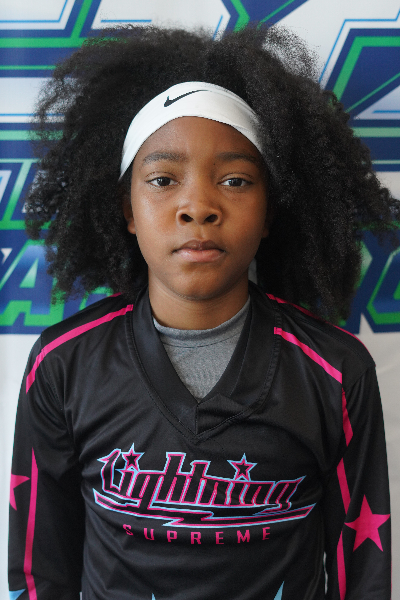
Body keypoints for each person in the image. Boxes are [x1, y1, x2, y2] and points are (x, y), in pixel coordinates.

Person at [8, 25, 397, 600]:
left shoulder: (336, 372)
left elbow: (361, 574)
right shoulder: (63, 365)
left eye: (235, 181)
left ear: (269, 210)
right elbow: (40, 571)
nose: (198, 207)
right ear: (128, 210)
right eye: (163, 180)